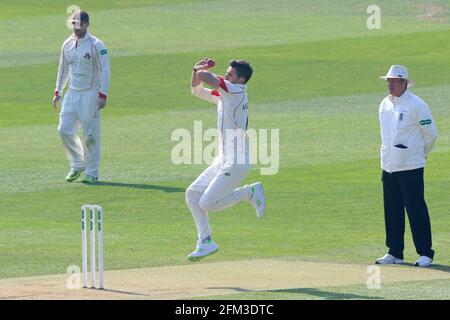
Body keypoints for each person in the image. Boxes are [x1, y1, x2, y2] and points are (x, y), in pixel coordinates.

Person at [185, 58, 265, 262]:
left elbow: (206, 77)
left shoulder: (236, 92)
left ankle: (249, 192)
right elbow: (197, 89)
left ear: (241, 79)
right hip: (223, 159)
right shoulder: (226, 94)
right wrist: (196, 70)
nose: (226, 75)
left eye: (230, 74)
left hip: (237, 161)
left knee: (208, 203)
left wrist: (201, 69)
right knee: (193, 194)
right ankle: (205, 241)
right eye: (226, 73)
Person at [376, 65, 438, 267]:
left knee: (415, 208)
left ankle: (425, 253)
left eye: (394, 81)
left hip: (411, 165)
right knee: (392, 209)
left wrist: (420, 154)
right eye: (388, 81)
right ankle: (394, 251)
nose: (390, 84)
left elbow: (431, 134)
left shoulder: (416, 104)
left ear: (404, 82)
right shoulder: (384, 104)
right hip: (389, 165)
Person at [52, 10, 110, 183]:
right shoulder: (67, 44)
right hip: (72, 93)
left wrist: (103, 94)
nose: (76, 28)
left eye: (79, 25)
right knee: (64, 130)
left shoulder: (96, 45)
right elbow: (63, 69)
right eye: (74, 24)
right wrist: (58, 91)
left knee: (90, 135)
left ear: (86, 24)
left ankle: (92, 173)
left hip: (90, 94)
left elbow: (105, 69)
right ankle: (77, 164)